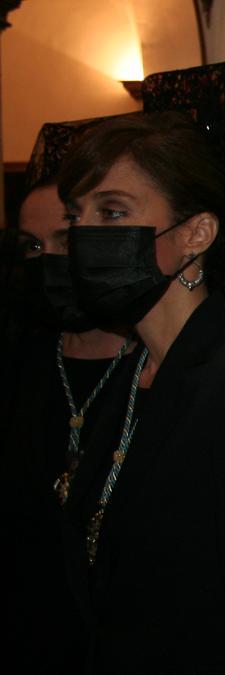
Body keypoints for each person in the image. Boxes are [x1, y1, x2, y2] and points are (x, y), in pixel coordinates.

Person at [56, 63, 225, 673]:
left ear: (196, 234)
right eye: (78, 217)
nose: (84, 237)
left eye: (115, 212)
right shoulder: (126, 373)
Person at [1, 158, 136, 673]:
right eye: (32, 247)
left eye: (65, 240)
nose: (47, 262)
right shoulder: (20, 360)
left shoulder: (155, 369)